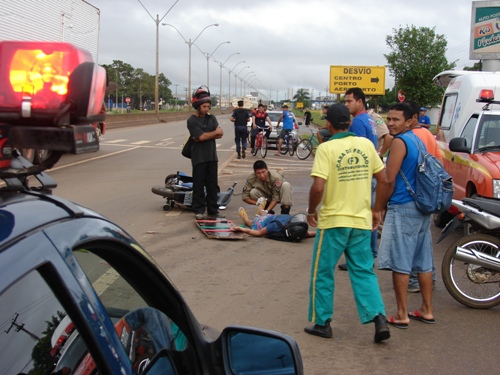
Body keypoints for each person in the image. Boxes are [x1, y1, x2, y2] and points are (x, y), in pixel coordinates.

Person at [304, 104, 390, 342]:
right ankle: (379, 317)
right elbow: (383, 182)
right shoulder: (366, 145)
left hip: (334, 222)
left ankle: (323, 323)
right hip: (361, 221)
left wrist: (311, 210)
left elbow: (318, 186)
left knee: (322, 272)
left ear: (329, 125)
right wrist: (377, 210)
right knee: (363, 272)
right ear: (349, 123)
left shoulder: (327, 148)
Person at [377, 102, 435, 329]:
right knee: (423, 261)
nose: (390, 123)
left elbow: (389, 179)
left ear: (410, 120)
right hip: (421, 207)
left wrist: (379, 207)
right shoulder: (418, 140)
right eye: (389, 119)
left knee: (401, 261)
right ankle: (427, 309)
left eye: (396, 120)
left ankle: (402, 313)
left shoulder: (400, 142)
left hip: (403, 207)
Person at [338, 87, 378, 271]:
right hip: (371, 172)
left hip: (362, 176)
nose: (346, 105)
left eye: (349, 101)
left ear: (360, 101)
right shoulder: (371, 120)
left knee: (360, 217)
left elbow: (357, 151)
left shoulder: (359, 123)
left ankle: (362, 258)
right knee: (368, 214)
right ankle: (369, 254)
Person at [405, 100, 442, 293]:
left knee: (410, 242)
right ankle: (430, 278)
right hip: (428, 194)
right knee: (424, 240)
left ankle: (412, 280)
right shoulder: (427, 134)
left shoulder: (408, 137)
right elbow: (438, 162)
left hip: (411, 195)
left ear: (410, 119)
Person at [187, 86, 224, 220]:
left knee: (212, 185)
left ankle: (213, 210)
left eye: (208, 106)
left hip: (212, 156)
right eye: (204, 106)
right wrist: (212, 134)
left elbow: (220, 133)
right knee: (198, 185)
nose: (207, 109)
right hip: (198, 157)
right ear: (198, 106)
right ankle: (198, 209)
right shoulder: (191, 120)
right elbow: (200, 137)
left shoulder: (212, 118)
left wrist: (207, 135)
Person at [231, 204, 316, 238]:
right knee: (248, 222)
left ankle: (261, 206)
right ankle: (244, 215)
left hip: (271, 217)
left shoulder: (293, 221)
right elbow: (259, 233)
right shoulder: (275, 226)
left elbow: (308, 234)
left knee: (263, 214)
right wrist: (242, 229)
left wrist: (319, 233)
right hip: (260, 223)